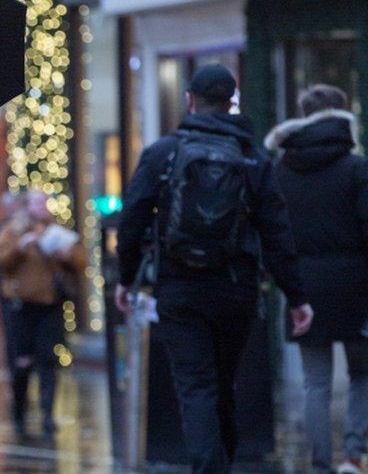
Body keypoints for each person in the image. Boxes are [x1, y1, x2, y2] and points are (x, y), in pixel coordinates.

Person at [114, 64, 314, 473]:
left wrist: (127, 277)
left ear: (190, 100)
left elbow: (132, 218)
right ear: (231, 103)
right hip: (236, 288)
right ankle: (220, 461)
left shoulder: (162, 153)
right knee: (224, 383)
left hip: (179, 287)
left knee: (196, 385)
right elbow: (277, 232)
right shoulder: (253, 157)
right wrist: (296, 295)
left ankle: (210, 465)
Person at [264, 84, 368, 474]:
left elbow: (273, 233)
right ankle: (353, 456)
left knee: (315, 383)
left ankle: (321, 464)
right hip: (357, 286)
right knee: (362, 374)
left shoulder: (281, 171)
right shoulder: (356, 168)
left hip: (303, 287)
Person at [0, 190, 87, 443]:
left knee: (48, 361)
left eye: (45, 202)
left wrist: (65, 255)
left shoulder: (57, 229)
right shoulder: (14, 230)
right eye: (38, 202)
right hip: (20, 307)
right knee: (23, 362)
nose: (43, 206)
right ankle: (19, 414)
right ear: (27, 205)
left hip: (50, 305)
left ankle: (47, 415)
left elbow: (80, 260)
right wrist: (21, 247)